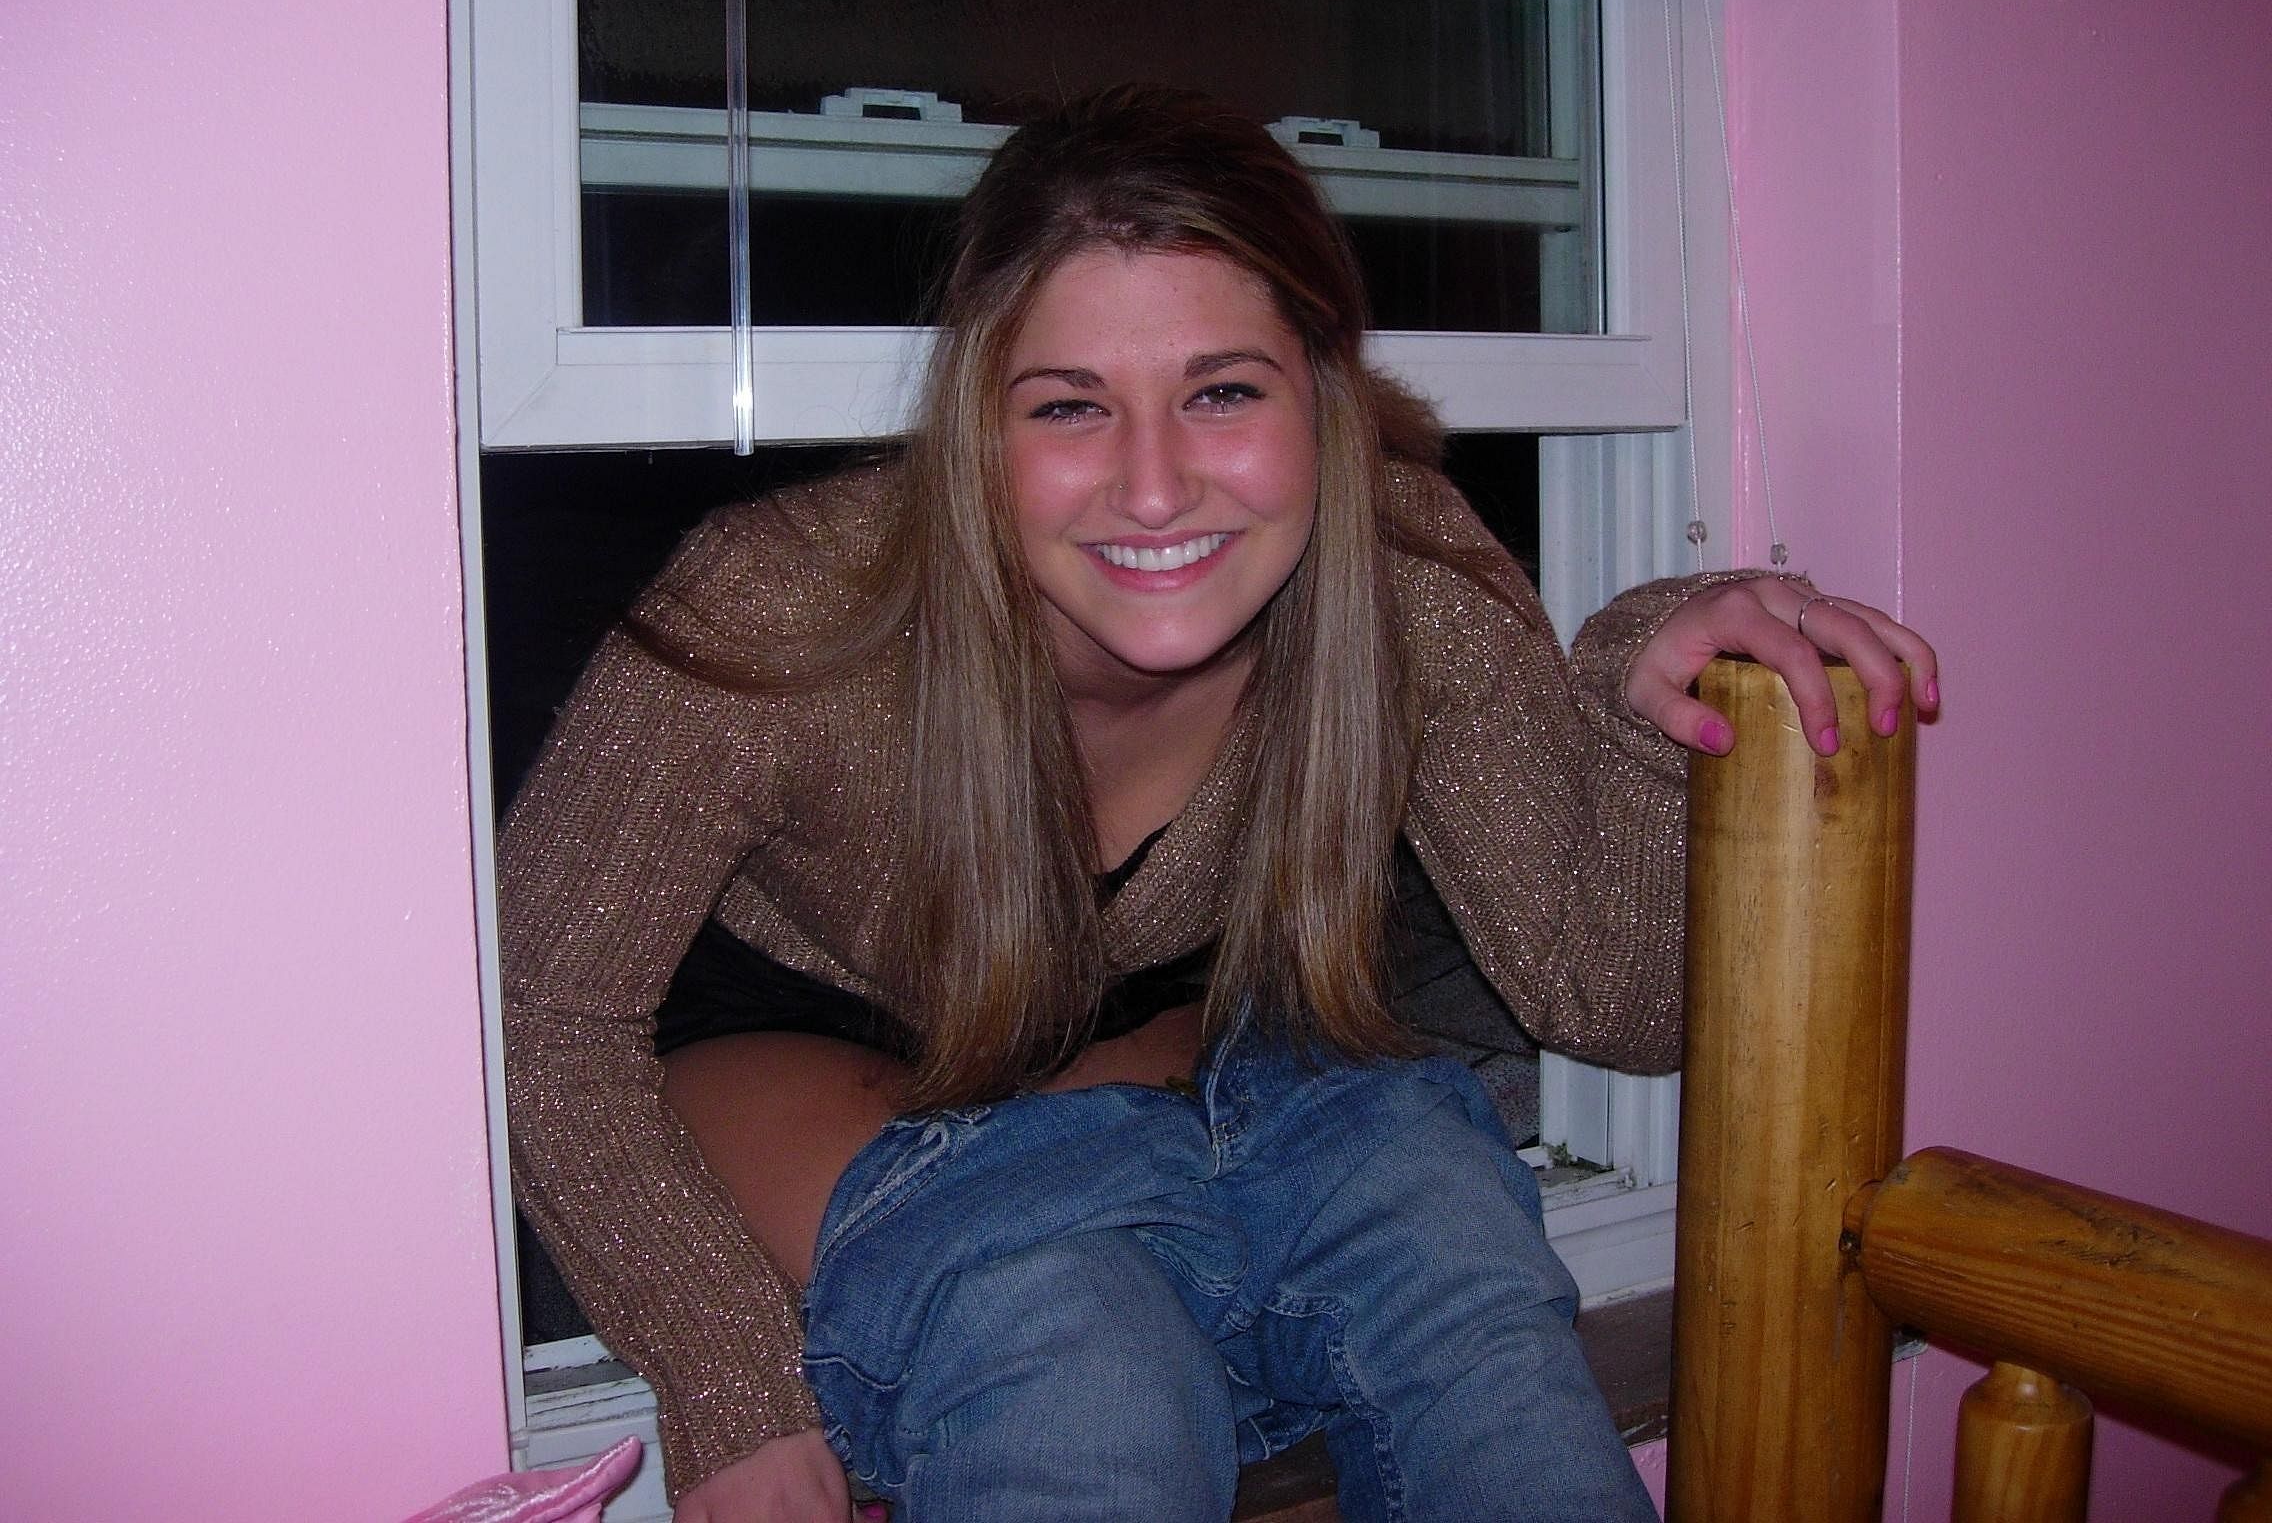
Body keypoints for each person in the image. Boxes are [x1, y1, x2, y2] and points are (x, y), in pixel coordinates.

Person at [500, 85, 1937, 1523]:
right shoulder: (783, 606)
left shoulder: (1403, 580)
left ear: (1323, 391)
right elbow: (541, 1009)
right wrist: (729, 1384)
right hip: (815, 1046)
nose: (1154, 489)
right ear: (977, 424)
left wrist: (1641, 690)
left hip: (1166, 1036)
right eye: (1070, 406)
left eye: (1223, 392)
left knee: (1458, 1272)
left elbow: (1610, 999)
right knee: (1078, 1347)